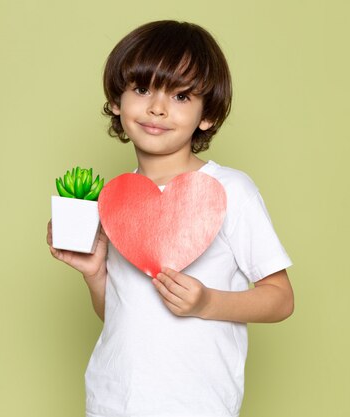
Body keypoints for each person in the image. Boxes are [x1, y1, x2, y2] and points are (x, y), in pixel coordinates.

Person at [46, 20, 294, 417]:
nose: (157, 107)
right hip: (111, 400)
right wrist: (94, 274)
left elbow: (281, 299)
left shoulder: (231, 190)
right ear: (116, 100)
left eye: (180, 96)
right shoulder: (115, 198)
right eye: (142, 89)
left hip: (196, 405)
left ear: (207, 115)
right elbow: (122, 315)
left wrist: (207, 302)